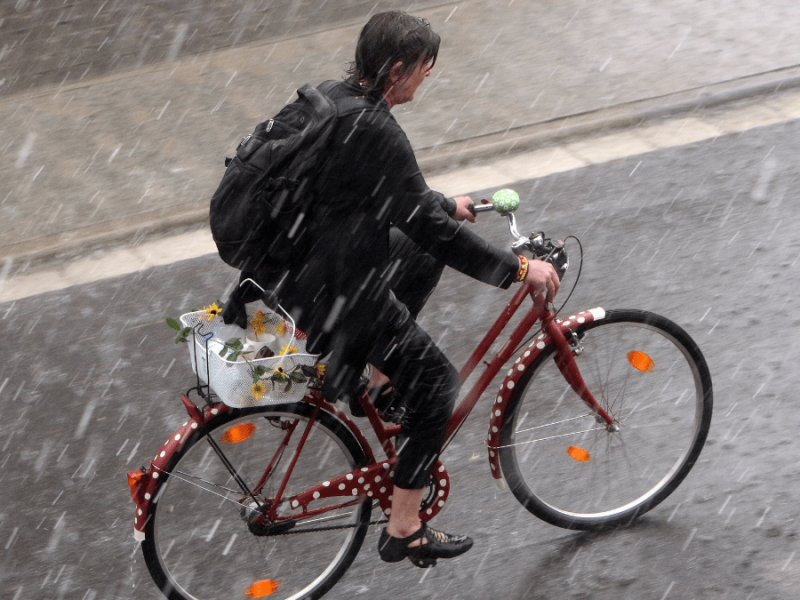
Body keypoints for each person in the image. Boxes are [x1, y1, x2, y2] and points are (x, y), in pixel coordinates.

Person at [225, 10, 560, 567]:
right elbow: (429, 228)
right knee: (436, 387)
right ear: (399, 69)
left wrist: (443, 204)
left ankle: (378, 380)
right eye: (425, 69)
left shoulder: (335, 99)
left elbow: (389, 196)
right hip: (333, 286)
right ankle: (405, 528)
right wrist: (519, 270)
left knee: (420, 256)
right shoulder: (378, 128)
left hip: (290, 269)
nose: (427, 79)